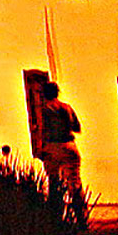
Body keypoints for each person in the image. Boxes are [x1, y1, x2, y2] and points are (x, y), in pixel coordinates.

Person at [37, 81, 85, 221]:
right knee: (75, 182)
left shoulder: (44, 109)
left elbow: (42, 129)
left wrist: (41, 148)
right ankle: (81, 217)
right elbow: (77, 127)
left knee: (54, 182)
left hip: (53, 147)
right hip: (69, 146)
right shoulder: (67, 108)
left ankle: (57, 218)